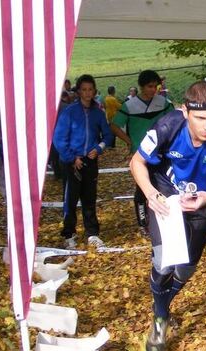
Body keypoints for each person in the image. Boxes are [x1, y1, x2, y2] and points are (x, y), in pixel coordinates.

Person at [130, 81, 206, 351]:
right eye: (200, 118)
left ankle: (161, 304)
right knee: (164, 263)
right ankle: (160, 319)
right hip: (166, 199)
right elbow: (137, 162)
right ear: (185, 112)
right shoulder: (167, 126)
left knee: (185, 270)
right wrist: (150, 193)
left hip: (204, 203)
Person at [53, 74, 114, 249]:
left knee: (89, 198)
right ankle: (69, 233)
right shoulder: (69, 112)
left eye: (90, 90)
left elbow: (108, 135)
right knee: (70, 199)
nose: (88, 93)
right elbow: (59, 139)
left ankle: (92, 233)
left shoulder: (98, 112)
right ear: (78, 91)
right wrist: (72, 158)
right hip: (72, 161)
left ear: (94, 91)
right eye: (84, 90)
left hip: (90, 161)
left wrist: (99, 148)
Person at [111, 70, 173, 233]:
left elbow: (174, 121)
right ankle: (143, 221)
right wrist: (129, 140)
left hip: (162, 152)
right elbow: (115, 125)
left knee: (163, 184)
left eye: (155, 86)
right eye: (149, 86)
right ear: (141, 87)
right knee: (142, 187)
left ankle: (164, 217)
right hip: (141, 154)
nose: (153, 89)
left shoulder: (163, 102)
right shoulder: (130, 105)